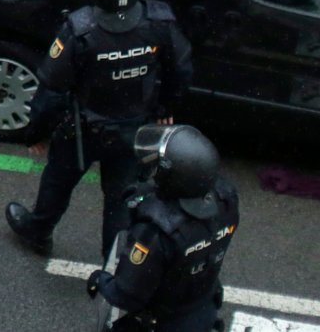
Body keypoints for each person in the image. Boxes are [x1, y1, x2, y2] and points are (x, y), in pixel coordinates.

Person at [5, 0, 192, 261]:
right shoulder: (159, 23)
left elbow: (51, 88)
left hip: (80, 129)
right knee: (121, 200)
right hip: (134, 130)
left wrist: (36, 131)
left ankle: (38, 230)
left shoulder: (80, 30)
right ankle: (114, 263)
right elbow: (181, 69)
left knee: (58, 183)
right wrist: (166, 107)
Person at [87, 126, 238, 332]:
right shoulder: (226, 203)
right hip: (202, 307)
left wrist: (100, 280)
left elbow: (126, 294)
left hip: (164, 322)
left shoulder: (156, 233)